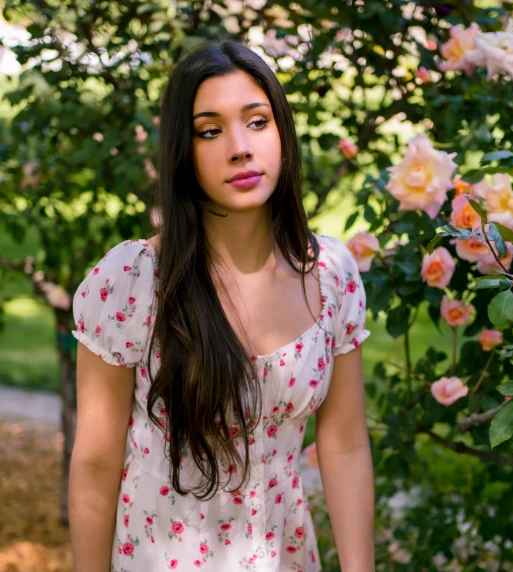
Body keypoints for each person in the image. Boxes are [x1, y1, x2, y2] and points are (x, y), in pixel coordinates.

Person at [69, 40, 375, 572]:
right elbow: (96, 463)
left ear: (282, 132)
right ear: (183, 151)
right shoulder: (133, 283)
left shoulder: (329, 276)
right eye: (210, 131)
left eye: (257, 122)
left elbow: (345, 445)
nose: (240, 147)